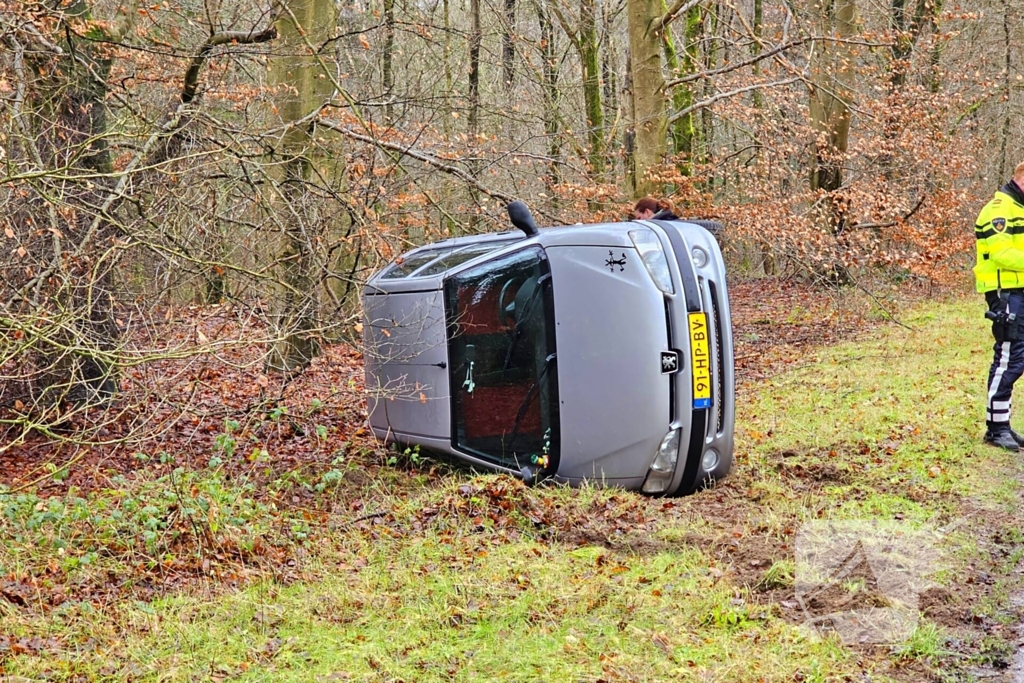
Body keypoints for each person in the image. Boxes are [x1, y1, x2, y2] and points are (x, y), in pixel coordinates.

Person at [974, 161, 1024, 451]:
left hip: (1018, 290)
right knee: (1009, 357)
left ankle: (1002, 424)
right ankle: (995, 429)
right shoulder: (998, 209)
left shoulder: (1018, 208)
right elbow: (1002, 253)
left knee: (1018, 357)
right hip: (1005, 293)